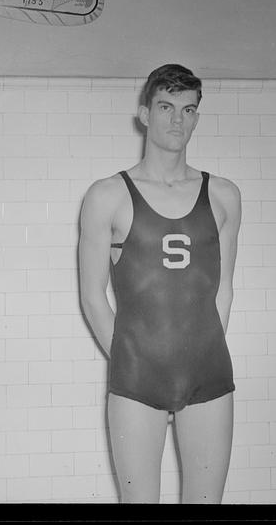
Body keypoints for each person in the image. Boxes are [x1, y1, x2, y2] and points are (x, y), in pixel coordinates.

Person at [78, 64, 241, 503]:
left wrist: (197, 353)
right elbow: (93, 297)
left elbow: (223, 288)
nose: (177, 120)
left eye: (188, 110)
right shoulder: (107, 195)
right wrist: (138, 361)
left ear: (196, 117)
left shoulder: (224, 194)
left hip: (208, 376)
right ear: (144, 114)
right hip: (136, 380)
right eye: (166, 107)